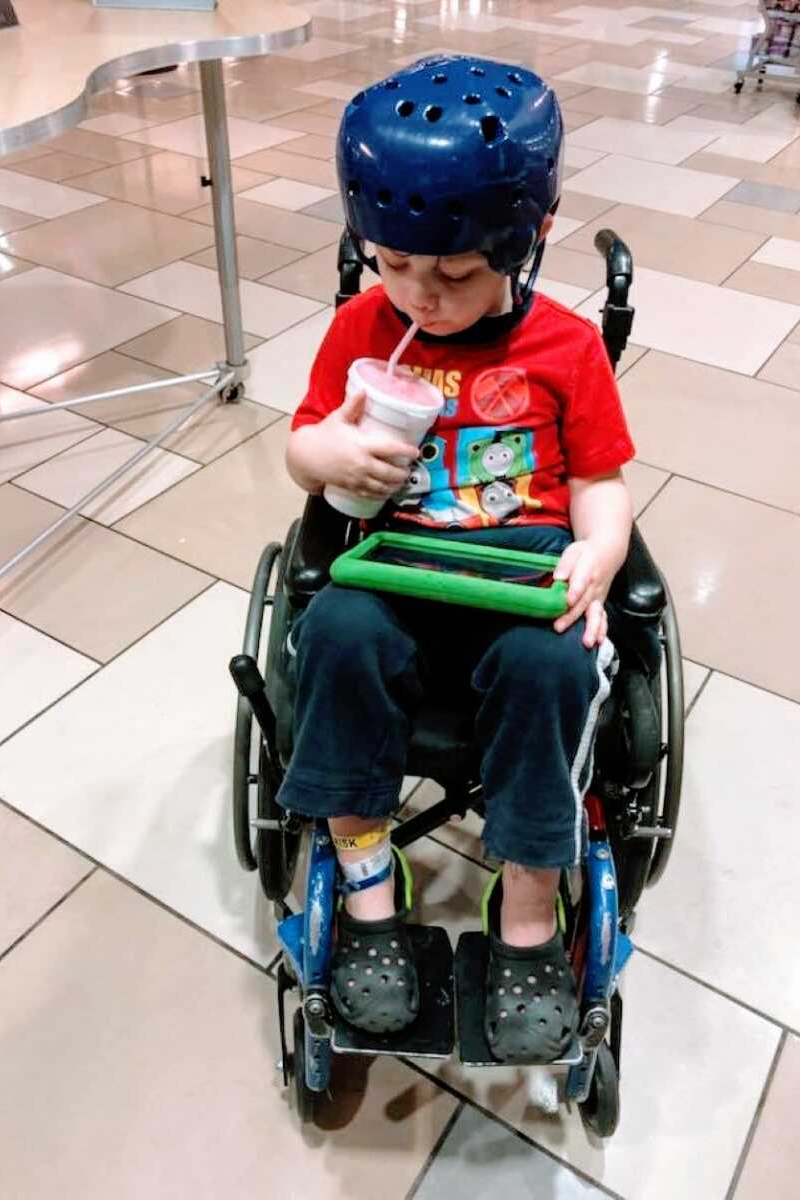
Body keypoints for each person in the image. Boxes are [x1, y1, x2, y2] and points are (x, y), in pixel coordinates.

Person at [277, 55, 635, 1064]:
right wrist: (329, 452)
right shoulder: (361, 329)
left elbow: (603, 480)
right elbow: (301, 448)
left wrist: (596, 557)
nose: (418, 297)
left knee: (554, 664)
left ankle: (525, 909)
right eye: (392, 264)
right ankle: (369, 890)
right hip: (395, 559)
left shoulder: (566, 350)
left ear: (529, 242)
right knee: (333, 631)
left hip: (518, 568)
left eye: (454, 276)